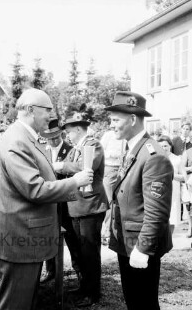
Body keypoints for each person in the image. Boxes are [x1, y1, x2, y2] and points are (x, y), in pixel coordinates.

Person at [0, 88, 93, 310]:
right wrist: (75, 182)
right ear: (29, 110)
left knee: (25, 301)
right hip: (21, 239)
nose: (50, 115)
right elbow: (35, 189)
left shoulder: (26, 137)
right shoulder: (17, 141)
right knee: (15, 304)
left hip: (26, 237)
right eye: (47, 110)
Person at [105, 91, 174, 310]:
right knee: (134, 302)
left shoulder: (153, 156)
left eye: (116, 120)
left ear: (133, 119)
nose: (112, 125)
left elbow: (157, 213)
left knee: (144, 304)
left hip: (140, 245)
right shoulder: (133, 148)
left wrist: (143, 249)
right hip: (128, 242)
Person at [55, 113, 108, 307]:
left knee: (89, 253)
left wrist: (60, 165)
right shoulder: (74, 149)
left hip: (89, 207)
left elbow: (84, 167)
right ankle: (84, 286)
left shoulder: (93, 145)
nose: (67, 134)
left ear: (78, 129)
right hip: (75, 207)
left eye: (68, 130)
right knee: (78, 251)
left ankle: (92, 293)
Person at [40, 118, 80, 284]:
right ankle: (51, 270)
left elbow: (76, 170)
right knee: (49, 238)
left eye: (56, 136)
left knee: (72, 239)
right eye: (50, 137)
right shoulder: (43, 151)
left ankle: (80, 273)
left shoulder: (71, 150)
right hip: (50, 203)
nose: (54, 140)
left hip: (66, 203)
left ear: (62, 134)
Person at [100, 129, 125, 244]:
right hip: (110, 168)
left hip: (122, 169)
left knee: (119, 201)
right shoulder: (108, 135)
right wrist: (114, 155)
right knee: (109, 201)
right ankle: (105, 232)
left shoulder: (126, 135)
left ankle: (115, 232)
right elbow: (100, 151)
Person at [158, 135, 184, 226]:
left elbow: (184, 177)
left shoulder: (177, 159)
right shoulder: (154, 159)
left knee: (172, 219)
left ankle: (170, 240)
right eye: (161, 146)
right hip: (158, 192)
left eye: (165, 146)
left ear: (170, 146)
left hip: (173, 192)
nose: (163, 148)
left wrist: (171, 175)